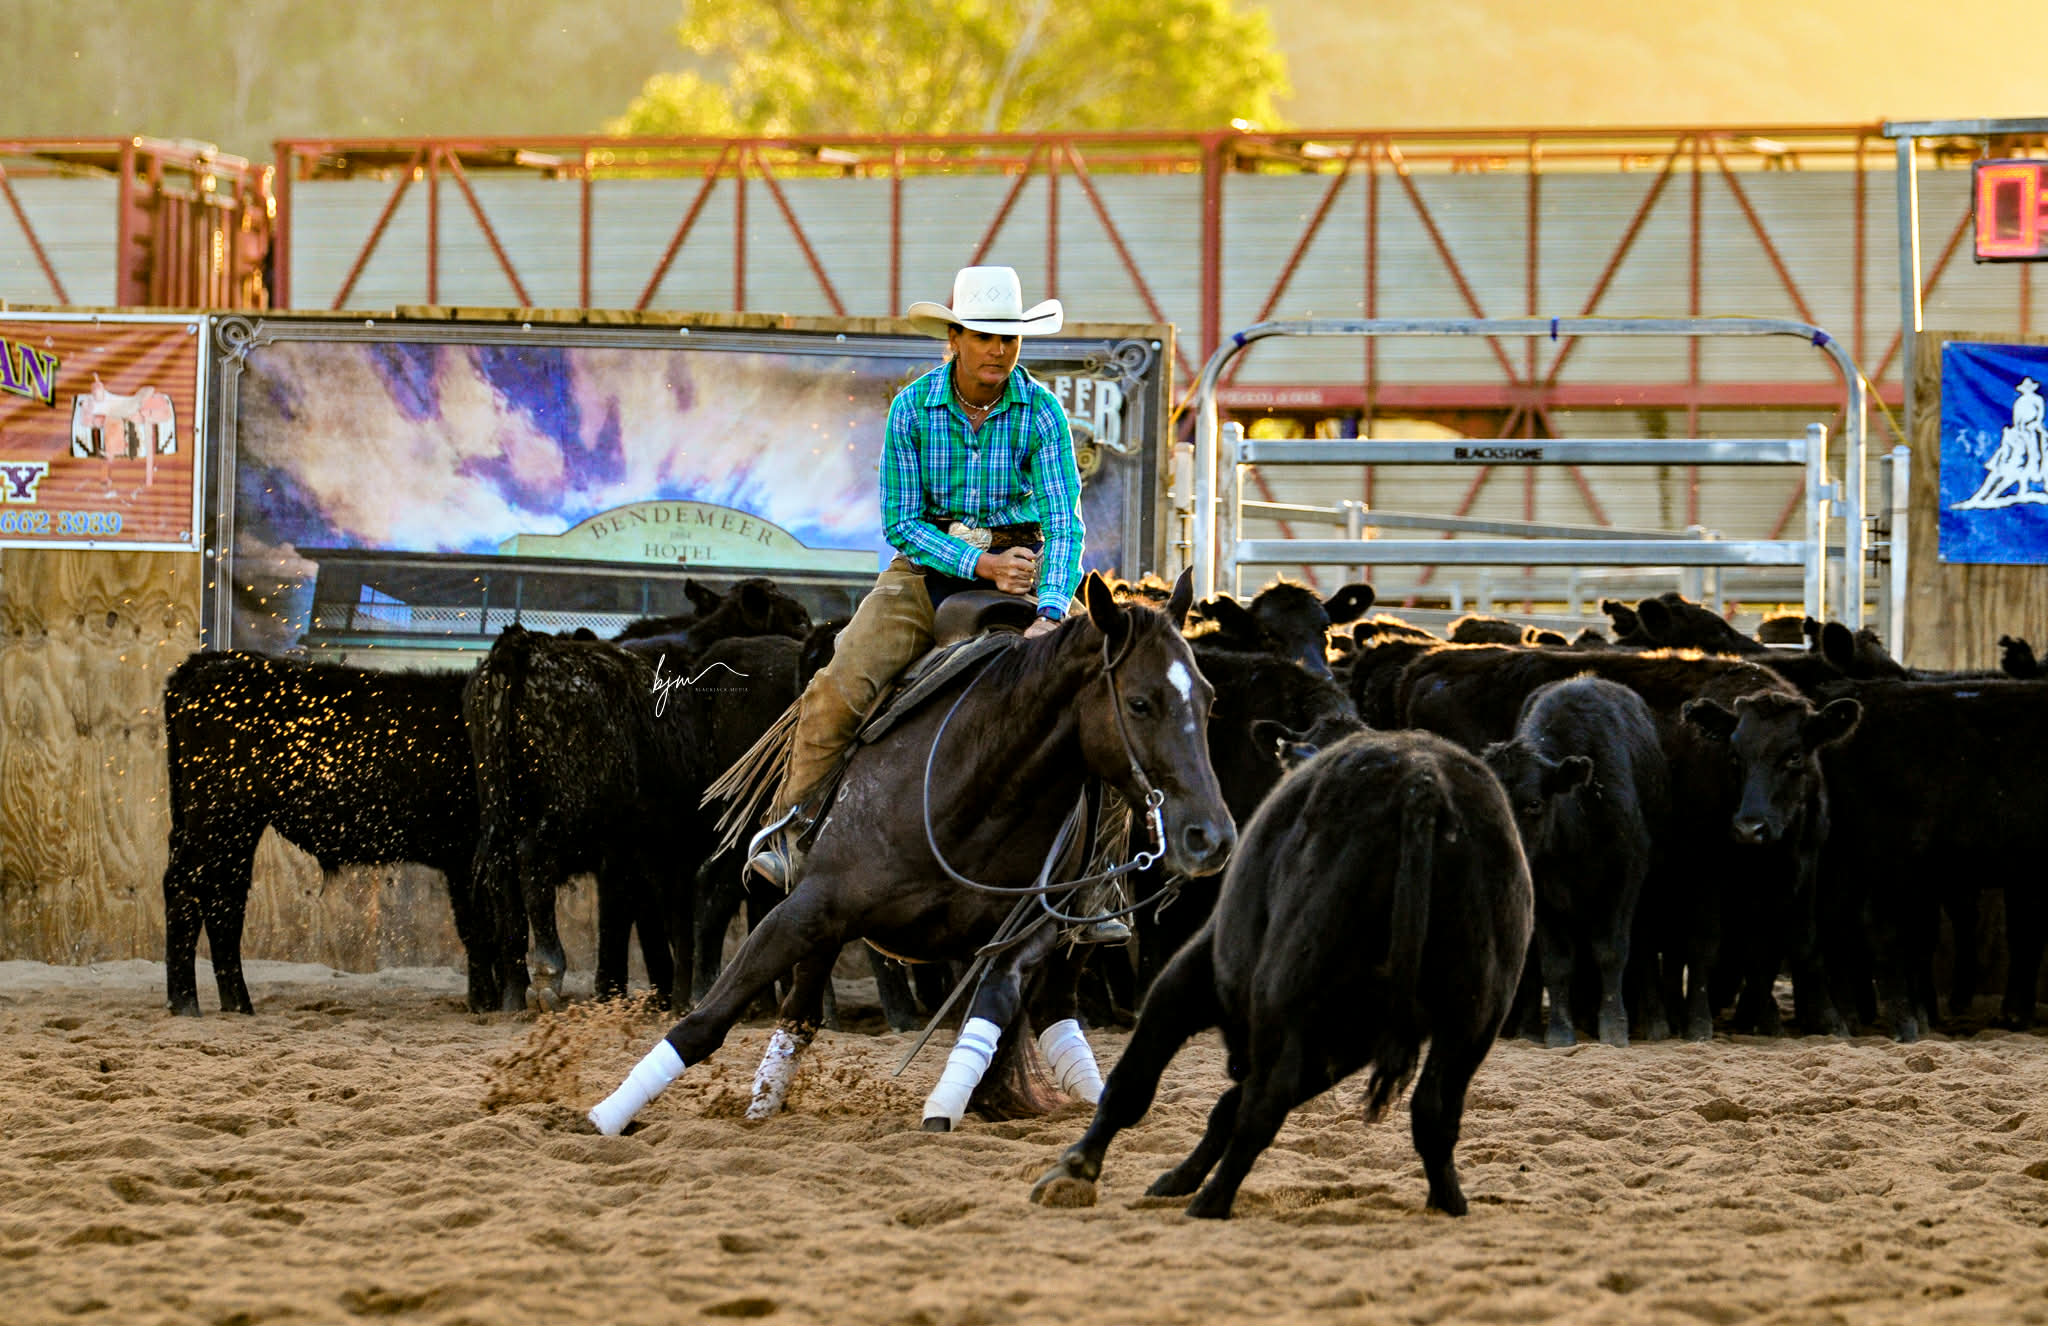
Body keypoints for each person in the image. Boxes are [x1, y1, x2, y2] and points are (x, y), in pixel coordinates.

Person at [746, 266, 1125, 941]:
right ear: (954, 338)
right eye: (983, 336)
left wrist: (1050, 608)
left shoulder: (1041, 412)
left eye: (1008, 338)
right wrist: (980, 564)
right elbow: (901, 522)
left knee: (1105, 692)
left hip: (1026, 567)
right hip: (925, 572)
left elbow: (1064, 521)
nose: (998, 350)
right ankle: (793, 832)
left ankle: (1093, 880)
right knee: (838, 685)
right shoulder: (912, 409)